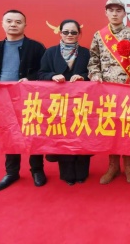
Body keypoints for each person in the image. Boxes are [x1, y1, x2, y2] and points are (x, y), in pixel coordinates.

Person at [0, 9, 47, 191]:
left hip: (29, 98)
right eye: (9, 21)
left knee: (33, 133)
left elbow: (43, 71)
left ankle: (37, 170)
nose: (13, 25)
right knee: (9, 134)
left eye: (18, 22)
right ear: (2, 24)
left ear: (25, 25)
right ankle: (11, 172)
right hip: (4, 98)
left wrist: (30, 78)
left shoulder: (36, 47)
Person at [88, 0, 130, 184]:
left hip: (128, 89)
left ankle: (128, 164)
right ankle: (113, 165)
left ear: (124, 13)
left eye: (118, 10)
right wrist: (96, 76)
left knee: (127, 127)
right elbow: (93, 60)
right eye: (111, 10)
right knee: (110, 127)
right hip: (106, 91)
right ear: (106, 13)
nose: (114, 14)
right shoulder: (99, 35)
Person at [38, 19, 92, 186]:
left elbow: (94, 73)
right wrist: (52, 76)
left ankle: (82, 173)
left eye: (73, 32)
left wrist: (83, 76)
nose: (69, 35)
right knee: (63, 137)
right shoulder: (50, 52)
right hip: (58, 104)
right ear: (60, 33)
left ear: (79, 34)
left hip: (81, 102)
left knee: (81, 135)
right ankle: (67, 174)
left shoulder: (86, 53)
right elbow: (41, 74)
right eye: (66, 32)